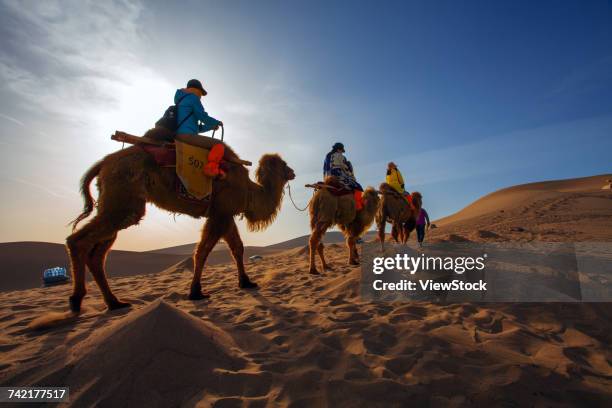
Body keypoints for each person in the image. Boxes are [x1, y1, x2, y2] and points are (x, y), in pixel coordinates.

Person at [174, 79, 223, 148]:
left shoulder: (180, 101)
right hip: (187, 136)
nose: (200, 96)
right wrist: (216, 122)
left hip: (178, 135)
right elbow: (202, 116)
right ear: (197, 90)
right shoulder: (193, 98)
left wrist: (211, 127)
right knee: (218, 145)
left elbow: (196, 128)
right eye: (201, 93)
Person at [323, 142, 364, 209]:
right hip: (338, 176)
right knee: (358, 188)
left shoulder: (327, 156)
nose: (342, 152)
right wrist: (349, 167)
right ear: (339, 149)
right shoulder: (340, 156)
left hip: (327, 177)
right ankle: (358, 207)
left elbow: (325, 169)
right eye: (342, 151)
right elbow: (345, 169)